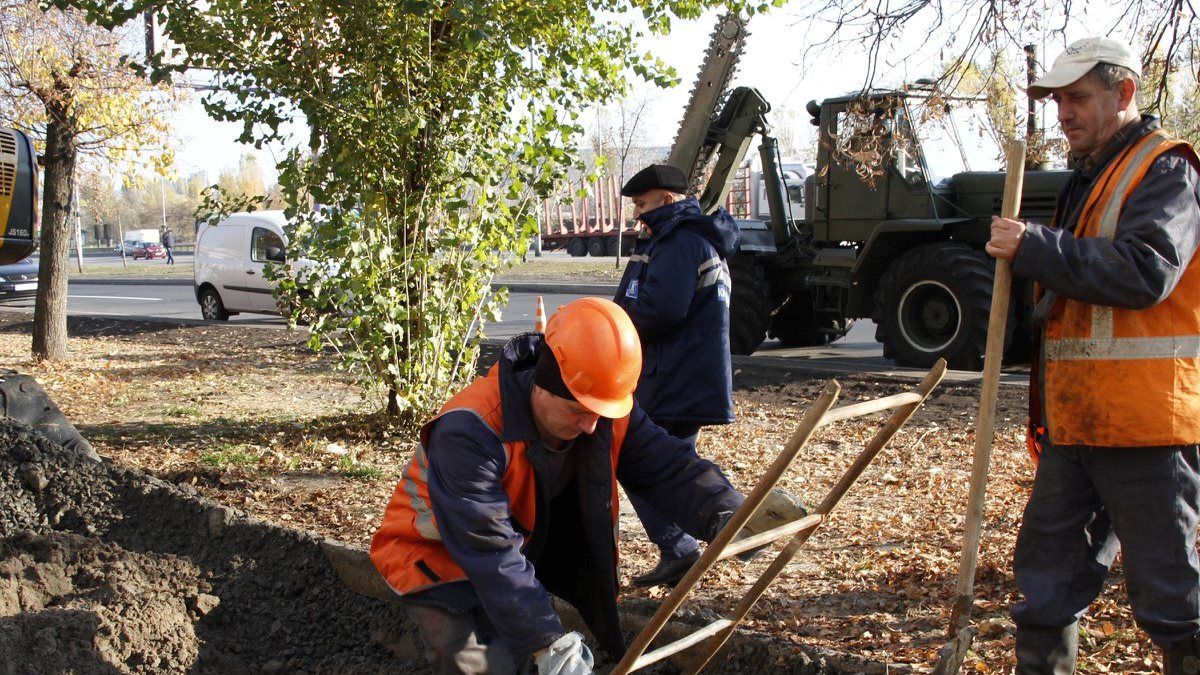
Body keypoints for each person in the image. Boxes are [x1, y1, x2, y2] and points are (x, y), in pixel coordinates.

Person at [370, 298, 788, 675]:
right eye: (579, 411)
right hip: (433, 556)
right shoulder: (470, 430)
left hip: (516, 545)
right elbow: (488, 548)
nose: (592, 426)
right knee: (481, 665)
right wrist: (546, 641)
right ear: (544, 384)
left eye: (600, 412)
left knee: (527, 645)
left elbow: (669, 467)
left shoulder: (601, 408)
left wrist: (728, 511)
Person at [986, 37, 1200, 674]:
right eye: (1058, 101)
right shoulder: (1093, 177)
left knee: (1172, 596)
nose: (1063, 113)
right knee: (1046, 587)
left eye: (1077, 98)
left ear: (1125, 93)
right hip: (1078, 427)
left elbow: (1145, 273)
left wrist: (1036, 247)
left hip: (1146, 427)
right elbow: (1071, 308)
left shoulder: (1167, 170)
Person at [612, 163, 741, 587]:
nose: (638, 214)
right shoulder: (690, 238)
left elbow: (660, 310)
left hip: (670, 378)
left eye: (644, 204)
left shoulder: (680, 241)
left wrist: (611, 326)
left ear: (668, 200)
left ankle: (692, 540)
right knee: (671, 463)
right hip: (684, 376)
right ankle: (687, 542)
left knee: (641, 462)